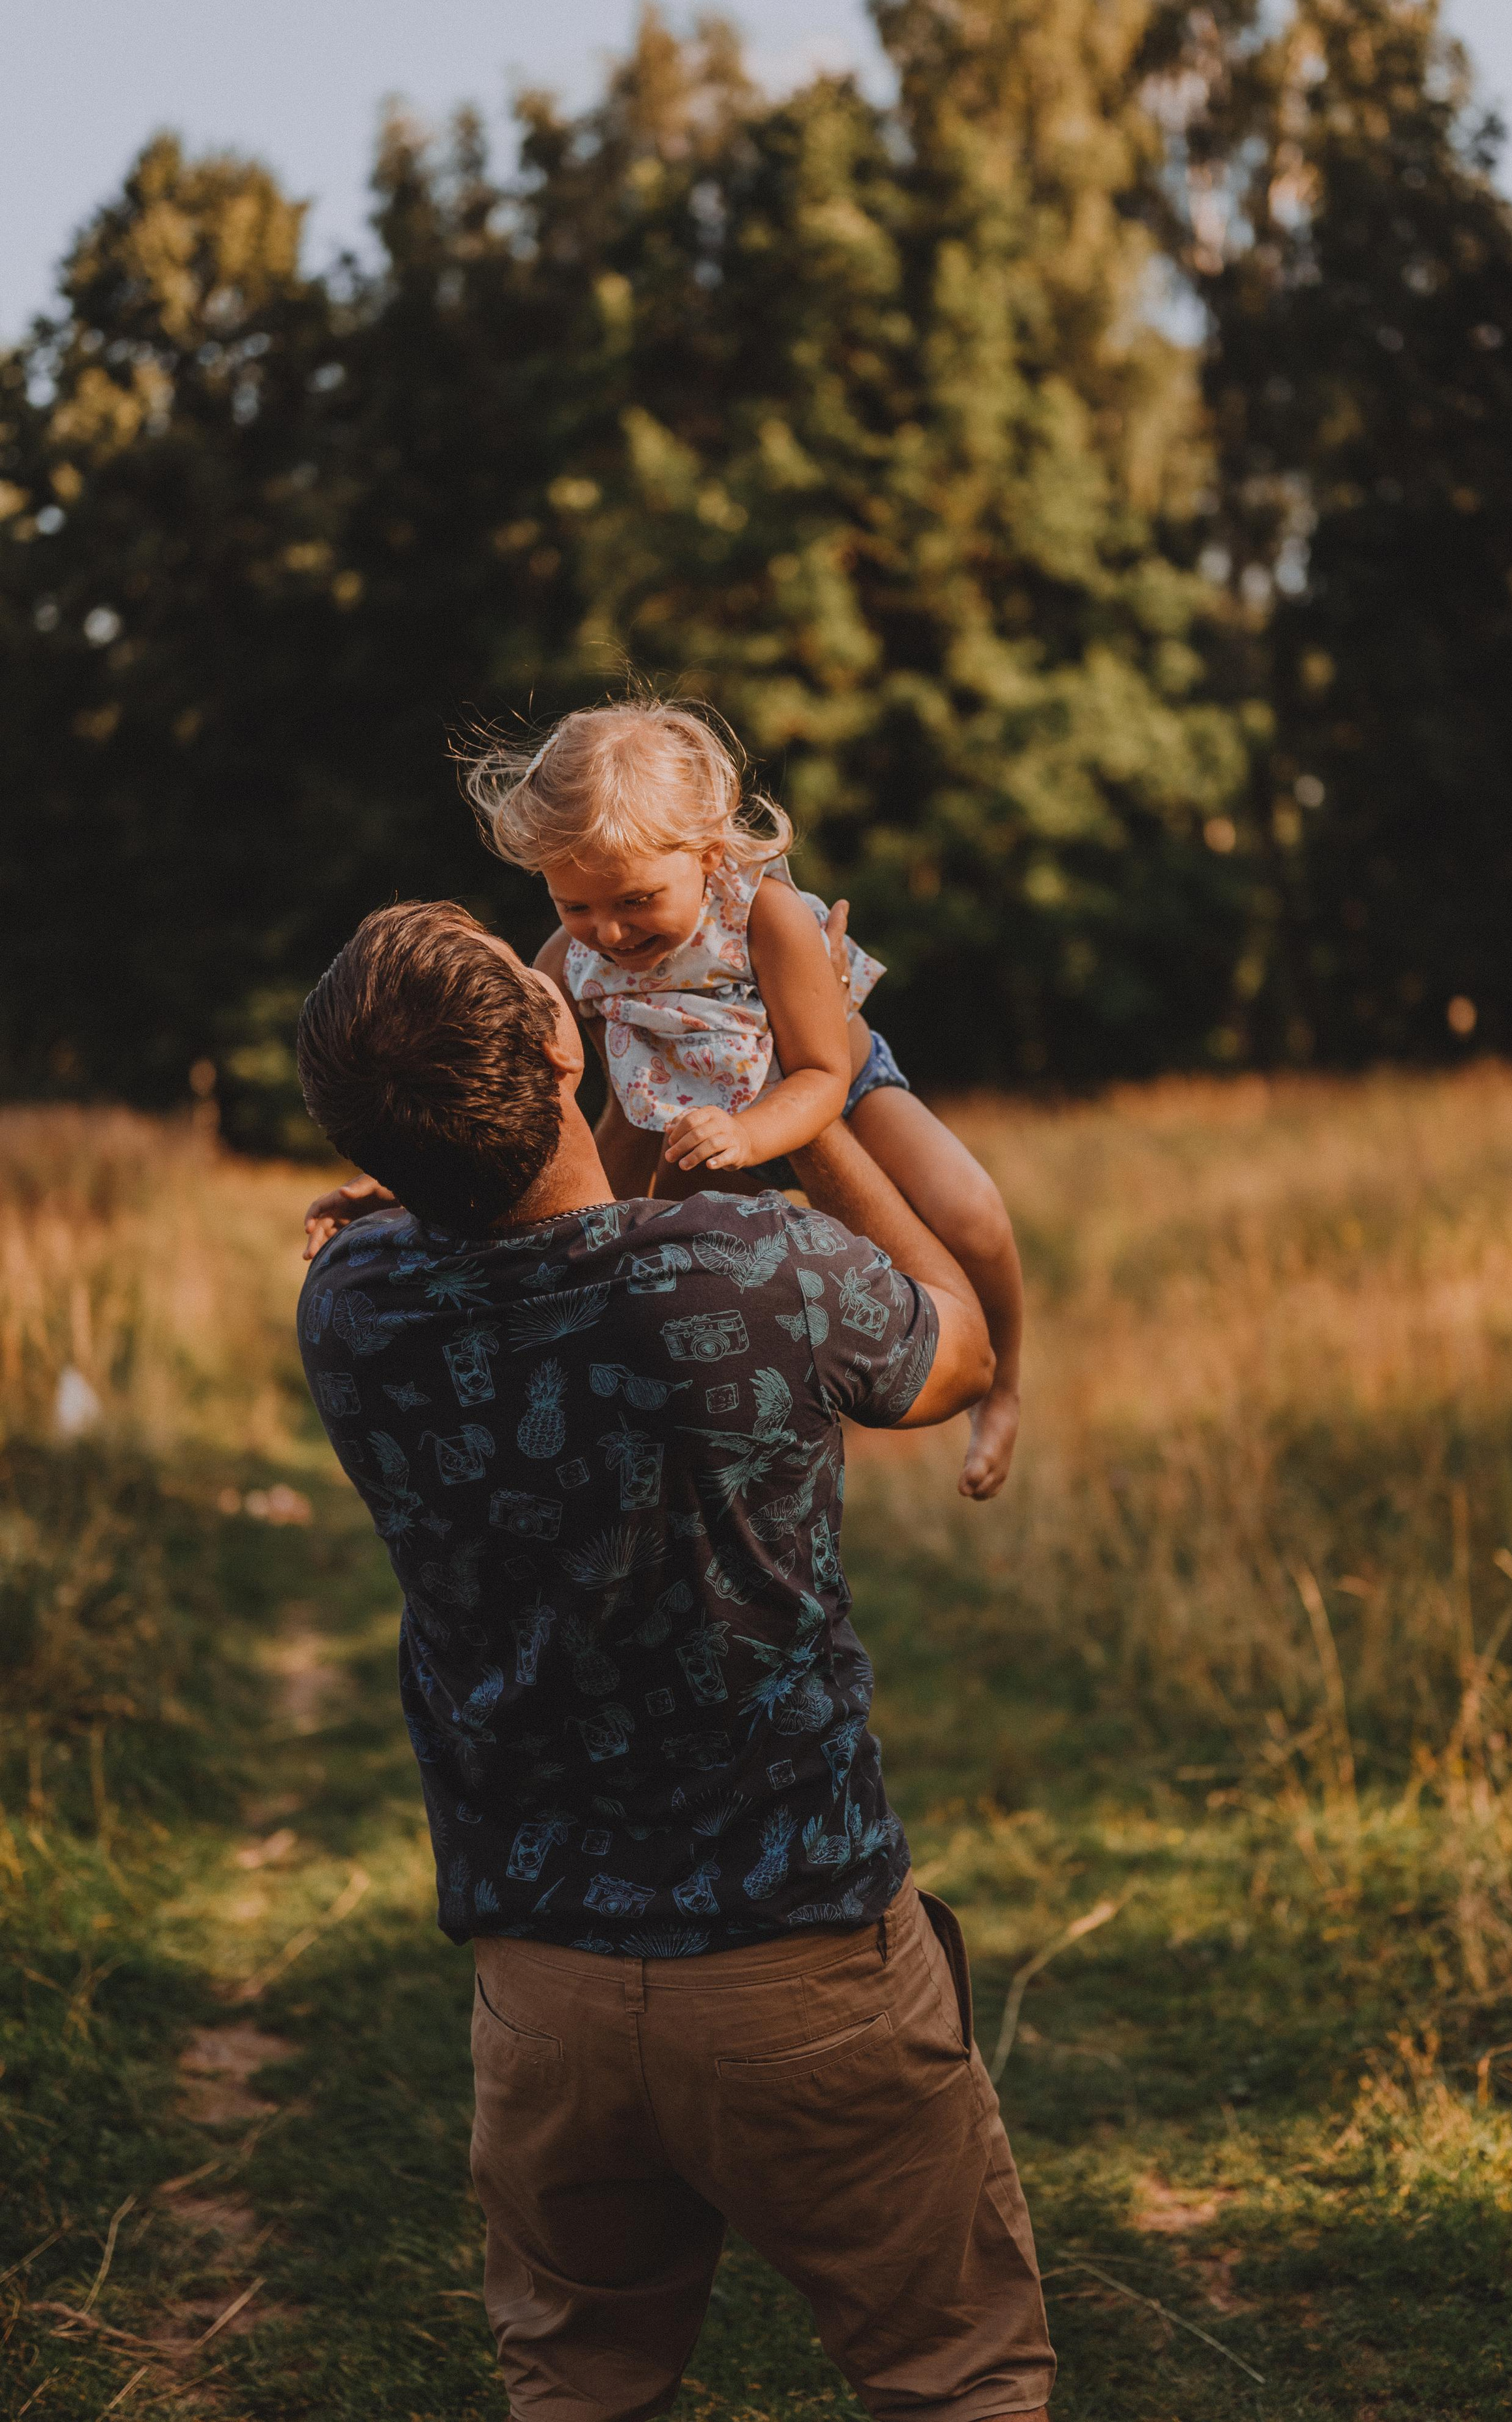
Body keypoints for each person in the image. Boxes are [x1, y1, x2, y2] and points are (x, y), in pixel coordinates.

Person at [294, 899, 1056, 2422]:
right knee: (954, 2377)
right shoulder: (746, 1261)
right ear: (567, 1038)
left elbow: (483, 1195)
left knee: (577, 2387)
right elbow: (959, 1341)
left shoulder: (351, 1300)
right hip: (802, 1952)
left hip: (541, 1984)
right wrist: (808, 1089)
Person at [459, 698, 1023, 1500]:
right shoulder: (569, 957)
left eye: (635, 900)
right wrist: (397, 1175)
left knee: (968, 1212)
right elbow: (501, 1074)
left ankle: (1000, 1392)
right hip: (688, 1129)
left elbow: (821, 1074)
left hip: (835, 1094)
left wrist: (753, 1134)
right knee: (624, 1283)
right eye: (574, 906)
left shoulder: (765, 916)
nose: (608, 934)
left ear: (709, 852)